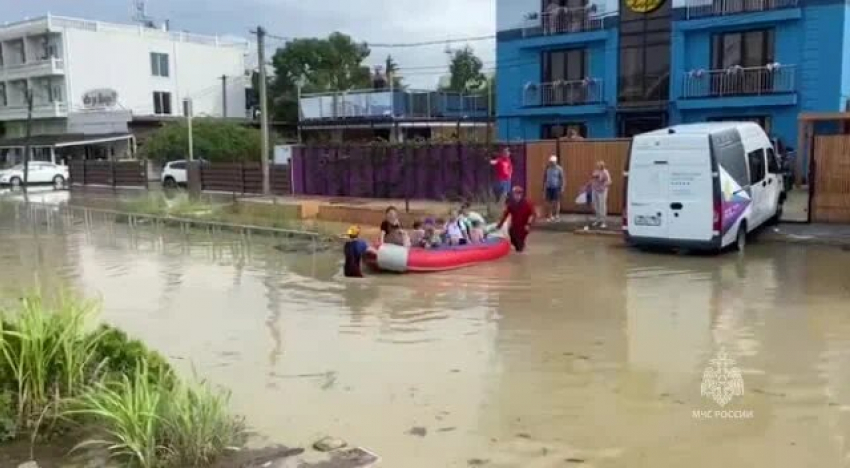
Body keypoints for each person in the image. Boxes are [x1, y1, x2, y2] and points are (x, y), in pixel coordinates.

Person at [497, 186, 536, 252]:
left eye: (519, 194)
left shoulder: (527, 203)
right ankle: (520, 246)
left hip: (523, 228)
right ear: (513, 194)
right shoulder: (511, 204)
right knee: (512, 239)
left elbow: (532, 214)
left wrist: (528, 224)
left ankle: (521, 248)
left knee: (519, 248)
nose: (517, 196)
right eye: (515, 194)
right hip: (514, 227)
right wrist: (500, 224)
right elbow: (505, 214)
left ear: (521, 194)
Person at [589, 161, 612, 229]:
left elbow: (609, 181)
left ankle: (603, 222)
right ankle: (597, 220)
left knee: (602, 206)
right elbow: (593, 179)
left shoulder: (605, 172)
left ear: (602, 166)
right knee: (595, 205)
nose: (597, 166)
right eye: (597, 165)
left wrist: (603, 186)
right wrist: (591, 185)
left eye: (599, 165)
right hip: (595, 190)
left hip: (602, 191)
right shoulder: (596, 171)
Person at [543, 155, 564, 221]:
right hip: (549, 187)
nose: (551, 163)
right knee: (549, 202)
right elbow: (544, 177)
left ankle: (557, 215)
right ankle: (550, 215)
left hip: (556, 187)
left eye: (553, 162)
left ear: (555, 162)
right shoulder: (547, 168)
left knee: (557, 201)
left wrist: (562, 187)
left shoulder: (559, 169)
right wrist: (543, 186)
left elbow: (562, 178)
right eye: (550, 162)